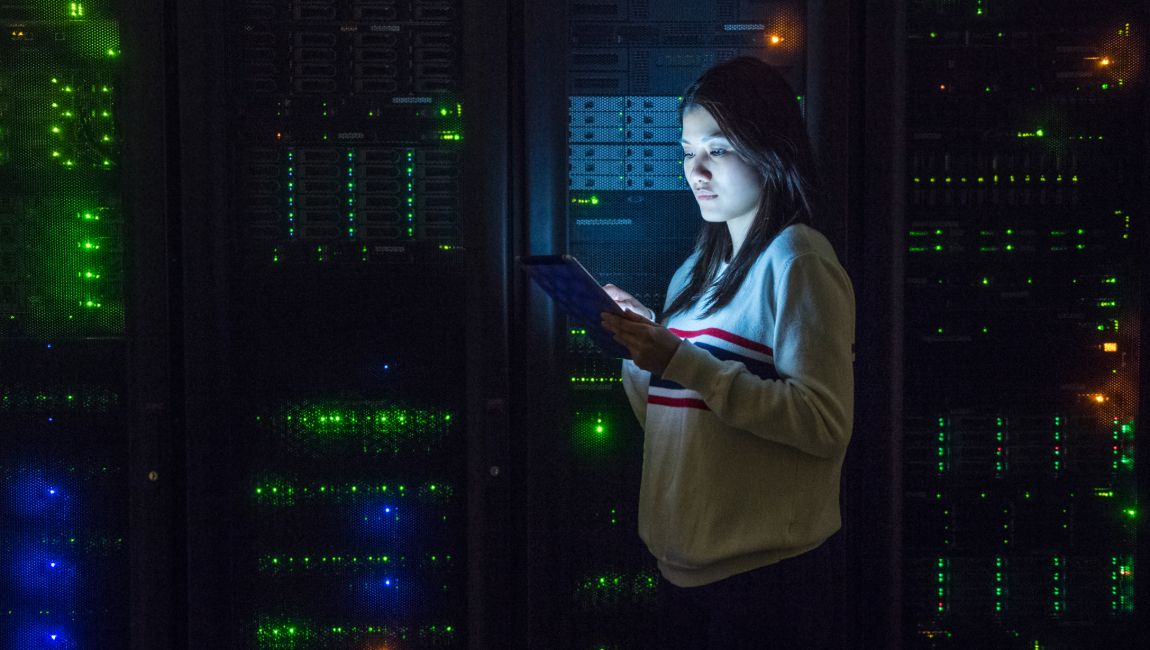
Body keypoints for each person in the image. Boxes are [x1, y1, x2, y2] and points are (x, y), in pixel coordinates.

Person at [599, 57, 855, 649]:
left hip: (766, 585)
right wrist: (641, 350)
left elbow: (824, 424)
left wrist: (681, 360)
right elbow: (667, 425)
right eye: (688, 150)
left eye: (717, 149)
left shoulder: (798, 260)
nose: (696, 170)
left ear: (770, 148)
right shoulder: (697, 270)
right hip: (682, 576)